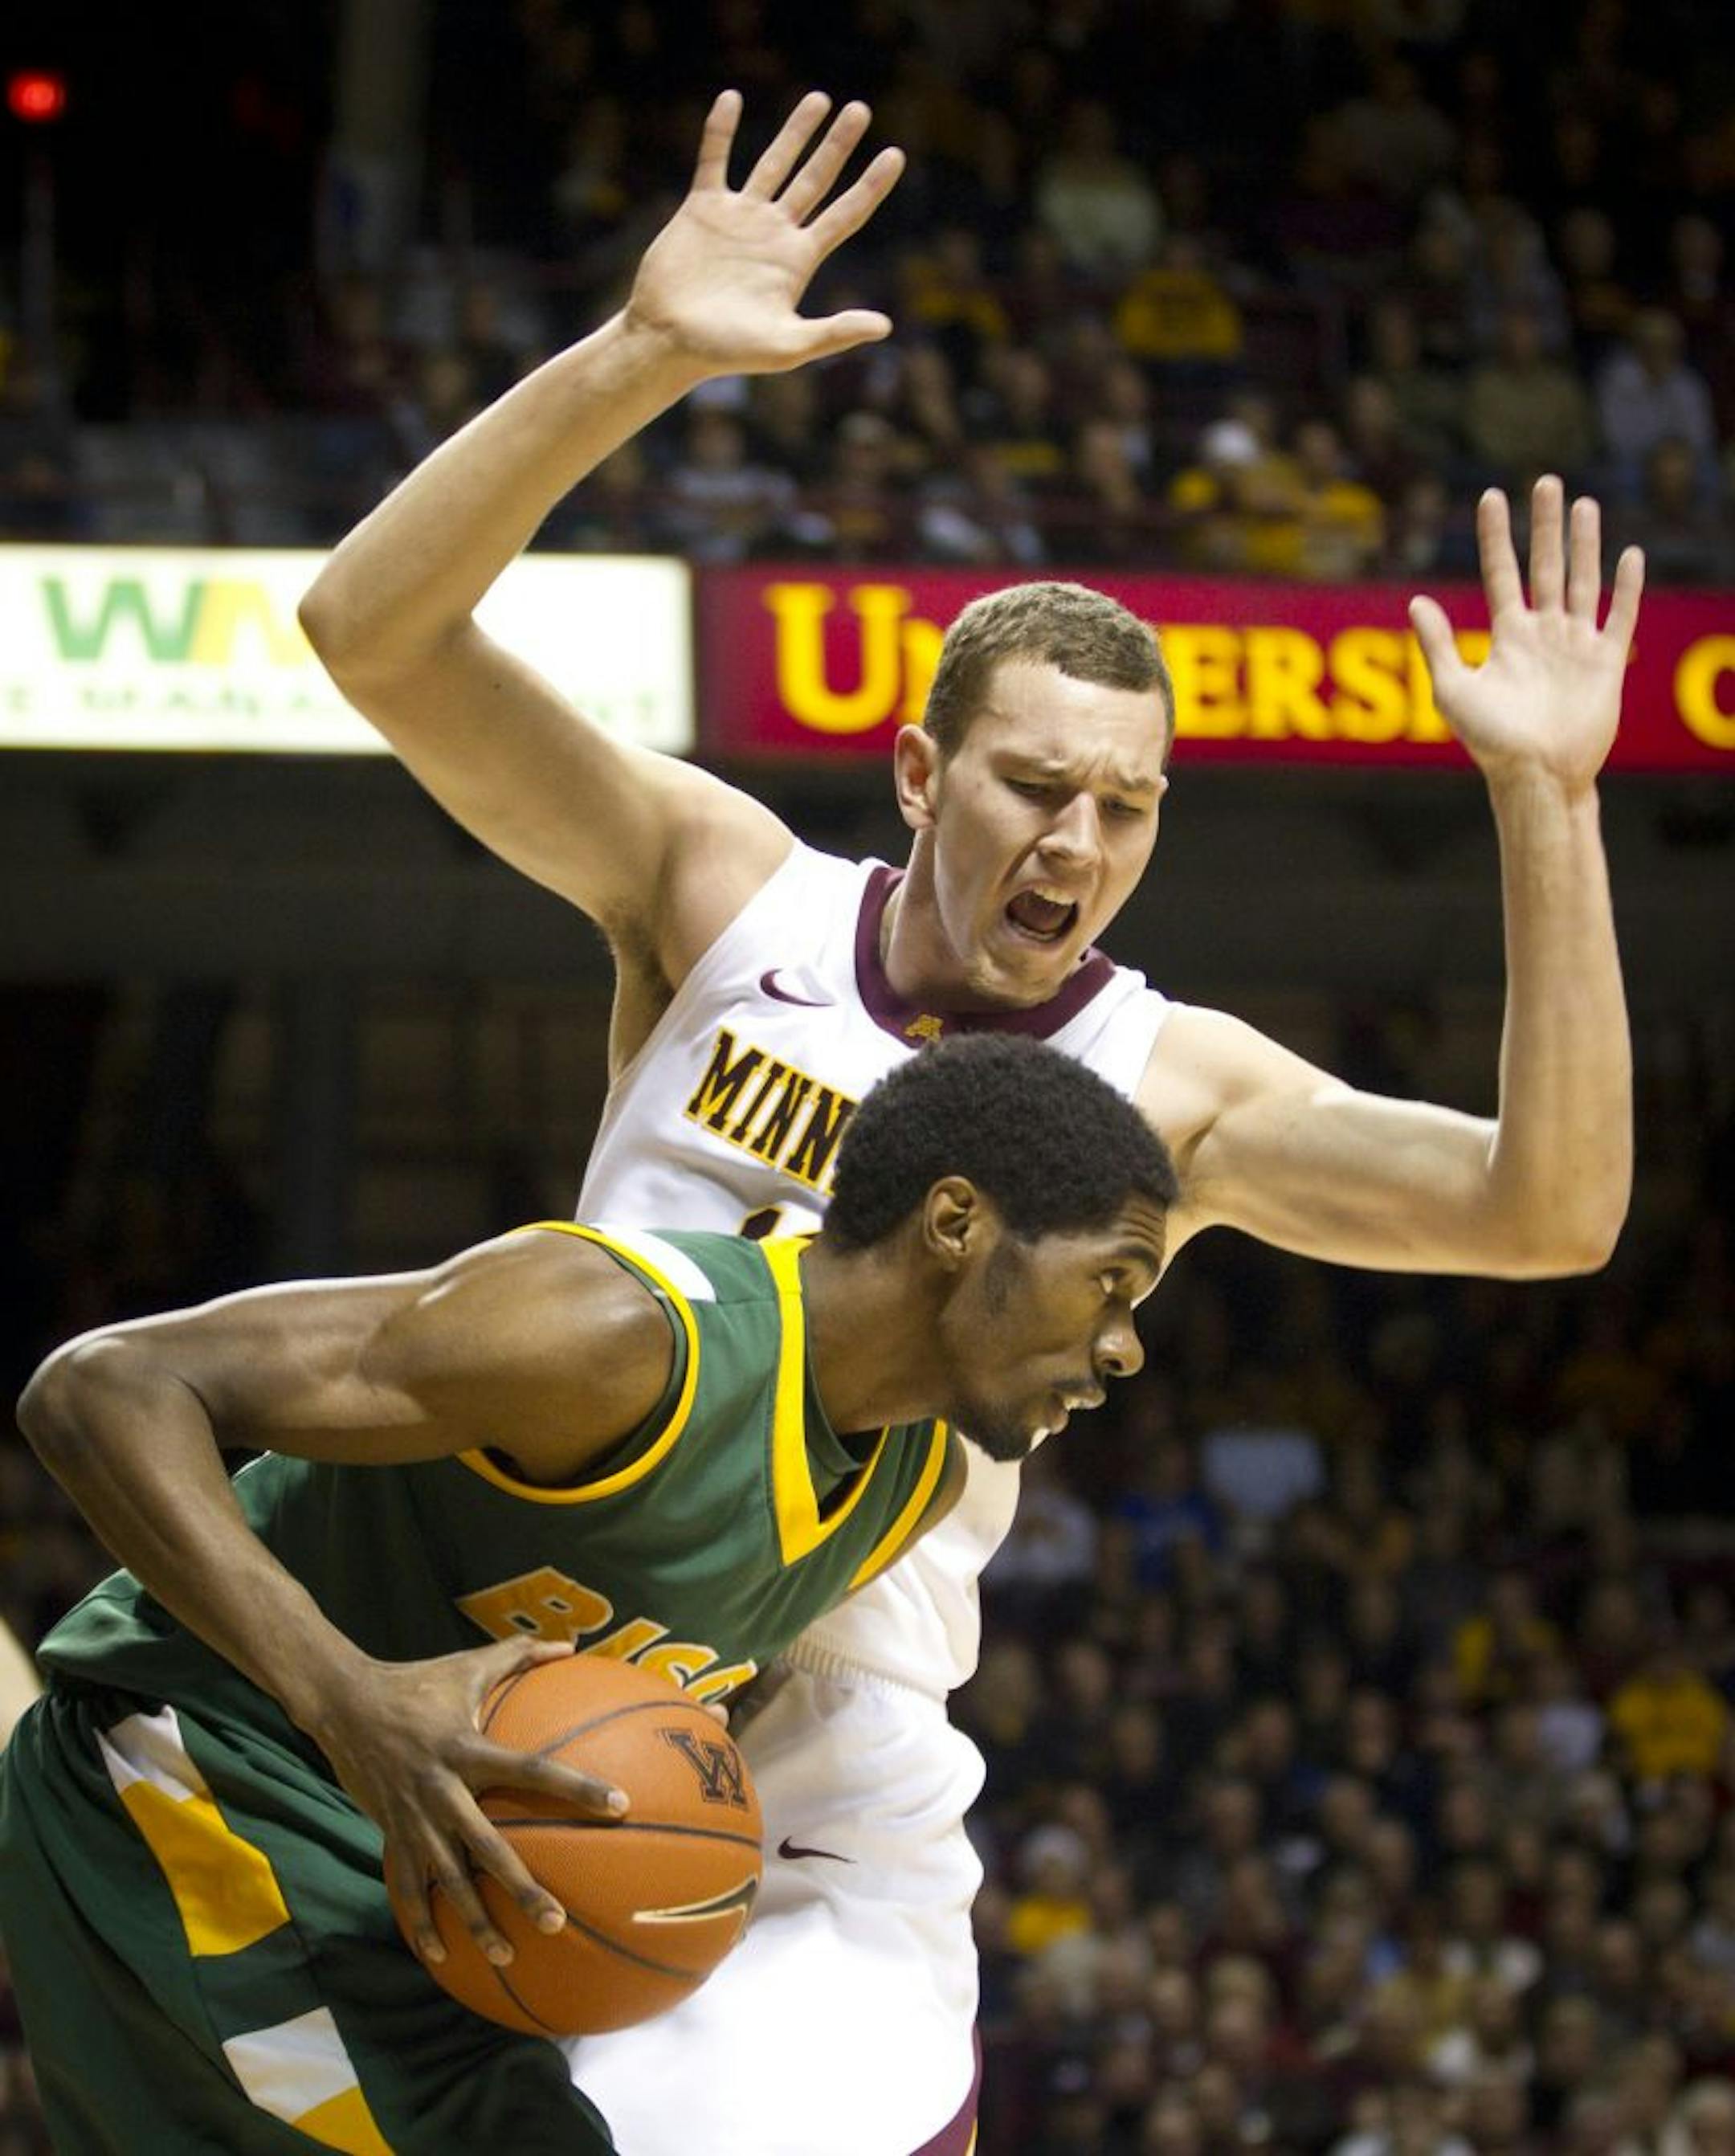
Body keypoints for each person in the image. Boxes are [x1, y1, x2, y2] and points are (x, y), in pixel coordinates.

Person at [297, 88, 1643, 2156]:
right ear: (920, 774)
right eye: (1033, 786)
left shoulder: (1167, 1088)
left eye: (1125, 808)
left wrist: (1549, 806)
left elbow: (1544, 1211)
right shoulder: (715, 888)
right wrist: (640, 354)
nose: (1078, 842)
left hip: (814, 1782)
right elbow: (369, 633)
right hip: (496, 1670)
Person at [0, 1036, 1177, 2156]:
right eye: (1111, 1282)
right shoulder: (617, 1337)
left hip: (409, 1878)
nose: (1125, 1347)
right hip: (200, 1773)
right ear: (958, 1223)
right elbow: (105, 1389)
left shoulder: (917, 1480)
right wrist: (348, 1699)